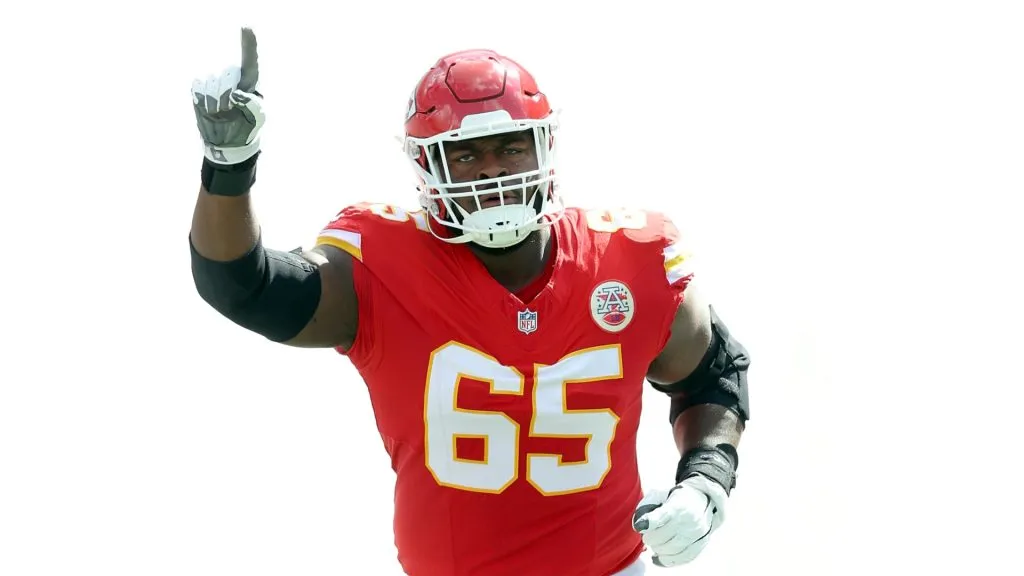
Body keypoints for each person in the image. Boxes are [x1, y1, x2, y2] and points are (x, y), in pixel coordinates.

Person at [189, 28, 750, 576]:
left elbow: (712, 375)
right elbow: (244, 286)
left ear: (543, 148)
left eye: (510, 147)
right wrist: (229, 163)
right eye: (464, 154)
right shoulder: (380, 263)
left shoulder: (630, 258)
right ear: (426, 165)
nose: (492, 170)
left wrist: (704, 481)